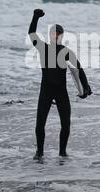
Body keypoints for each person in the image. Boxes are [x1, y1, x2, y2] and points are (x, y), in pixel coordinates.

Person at [28, 9, 92, 161]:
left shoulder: (65, 51)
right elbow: (31, 33)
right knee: (40, 123)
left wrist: (86, 86)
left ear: (61, 36)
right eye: (53, 33)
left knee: (66, 123)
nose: (55, 35)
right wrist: (35, 17)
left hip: (61, 91)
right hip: (46, 90)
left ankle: (62, 152)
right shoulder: (43, 47)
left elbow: (78, 68)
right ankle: (40, 152)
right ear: (50, 35)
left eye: (58, 33)